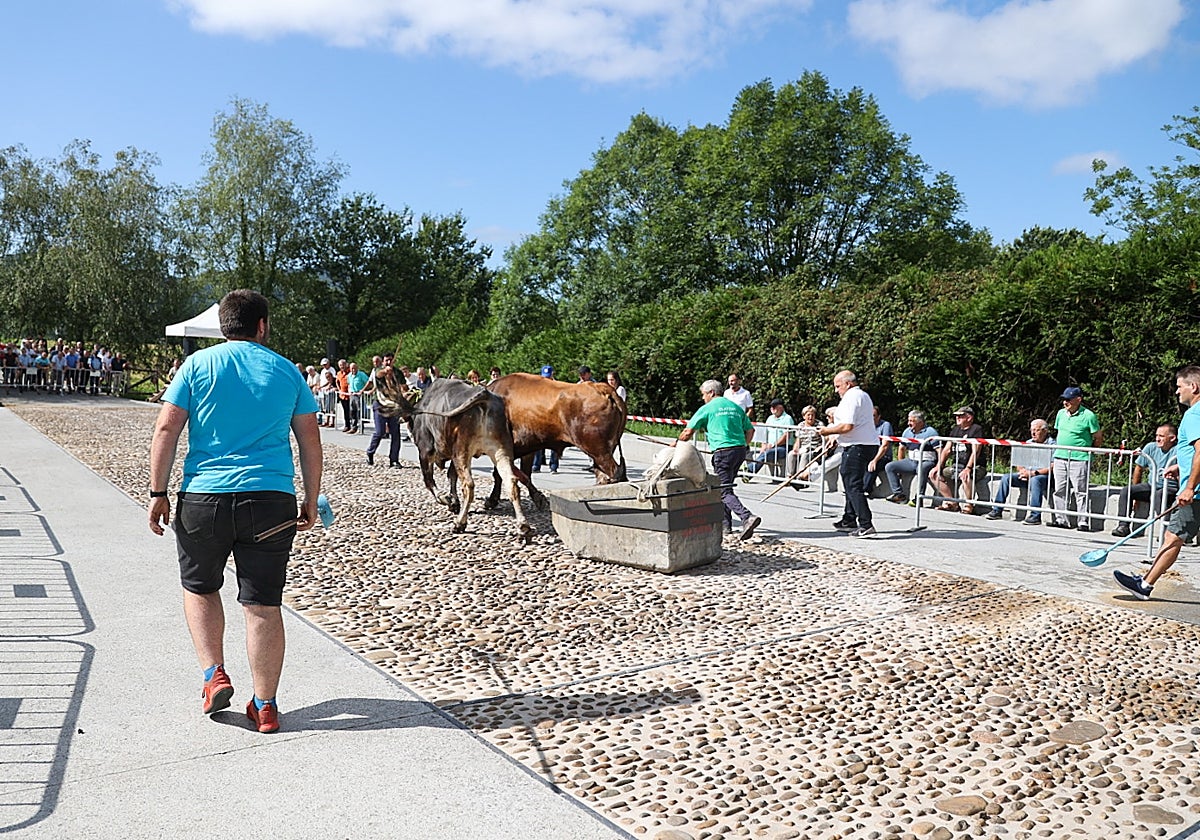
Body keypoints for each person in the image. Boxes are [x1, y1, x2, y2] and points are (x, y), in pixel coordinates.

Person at [147, 289, 322, 734]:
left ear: (223, 325)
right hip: (269, 499)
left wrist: (157, 491)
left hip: (204, 497)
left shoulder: (197, 365)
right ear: (261, 325)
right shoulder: (287, 371)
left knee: (200, 587)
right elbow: (310, 440)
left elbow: (167, 426)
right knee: (262, 603)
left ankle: (214, 675)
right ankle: (264, 706)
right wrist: (310, 497)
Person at [1113, 366, 1200, 601]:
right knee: (1174, 536)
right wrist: (1181, 467)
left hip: (1196, 493)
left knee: (1173, 537)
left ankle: (1145, 584)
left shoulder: (1194, 414)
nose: (1176, 392)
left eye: (1179, 386)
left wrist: (1190, 486)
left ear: (1194, 387)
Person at [676, 379, 760, 540]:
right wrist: (742, 444)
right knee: (726, 486)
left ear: (711, 393)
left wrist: (677, 445)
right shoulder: (735, 407)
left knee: (722, 491)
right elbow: (750, 430)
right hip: (739, 451)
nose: (703, 398)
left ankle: (746, 517)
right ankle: (725, 525)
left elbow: (687, 433)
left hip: (723, 453)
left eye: (704, 394)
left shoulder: (707, 408)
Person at [820, 370, 877, 537]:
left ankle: (865, 524)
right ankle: (849, 519)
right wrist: (836, 437)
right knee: (849, 482)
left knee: (852, 484)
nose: (836, 390)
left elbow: (847, 426)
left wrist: (827, 431)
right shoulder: (862, 395)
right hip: (862, 443)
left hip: (857, 446)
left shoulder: (852, 397)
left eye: (838, 386)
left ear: (848, 383)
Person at [1049, 386, 1103, 531]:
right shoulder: (1060, 414)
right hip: (1060, 456)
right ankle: (1061, 519)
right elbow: (1059, 432)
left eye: (1068, 400)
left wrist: (1090, 450)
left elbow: (1097, 437)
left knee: (1080, 490)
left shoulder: (1089, 415)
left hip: (1079, 457)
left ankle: (1082, 521)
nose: (1065, 402)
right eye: (1064, 399)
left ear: (1078, 400)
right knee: (1059, 489)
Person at [1112, 424, 1178, 537]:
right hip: (1151, 485)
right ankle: (1123, 526)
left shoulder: (1178, 450)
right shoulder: (1151, 447)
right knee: (1127, 491)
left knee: (1159, 495)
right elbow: (1138, 469)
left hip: (1171, 487)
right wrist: (1136, 493)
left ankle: (1167, 532)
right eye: (1156, 435)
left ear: (1172, 438)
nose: (1157, 439)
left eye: (1161, 436)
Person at [984, 419, 1055, 524]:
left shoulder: (1053, 444)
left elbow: (1053, 466)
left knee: (1036, 480)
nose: (1033, 433)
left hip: (1043, 476)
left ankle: (1035, 515)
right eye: (1032, 430)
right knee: (1006, 478)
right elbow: (1019, 462)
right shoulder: (1028, 443)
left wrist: (1033, 473)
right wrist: (1022, 471)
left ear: (1045, 431)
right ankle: (997, 509)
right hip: (1027, 474)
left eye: (1037, 430)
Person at [931, 406, 986, 514]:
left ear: (969, 417)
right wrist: (938, 466)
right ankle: (951, 502)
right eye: (956, 416)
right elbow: (947, 450)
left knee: (964, 476)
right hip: (957, 465)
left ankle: (969, 505)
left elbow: (976, 451)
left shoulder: (976, 429)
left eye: (960, 416)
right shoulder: (955, 430)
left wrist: (968, 468)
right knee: (933, 475)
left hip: (976, 466)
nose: (957, 418)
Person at [883, 410, 939, 505]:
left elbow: (940, 451)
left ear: (920, 422)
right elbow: (901, 448)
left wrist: (938, 466)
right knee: (890, 467)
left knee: (921, 469)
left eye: (912, 421)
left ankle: (919, 498)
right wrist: (901, 463)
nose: (909, 423)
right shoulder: (907, 432)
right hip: (911, 460)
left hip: (927, 460)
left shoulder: (931, 432)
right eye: (909, 420)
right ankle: (898, 494)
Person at [364, 358, 402, 467]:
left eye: (391, 360)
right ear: (383, 362)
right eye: (386, 360)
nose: (389, 362)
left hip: (394, 406)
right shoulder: (378, 370)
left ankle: (394, 459)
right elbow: (379, 375)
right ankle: (370, 452)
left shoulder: (397, 373)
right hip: (380, 404)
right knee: (380, 432)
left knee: (396, 434)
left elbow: (403, 386)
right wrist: (386, 371)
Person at [744, 399, 793, 477]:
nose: (772, 409)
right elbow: (765, 434)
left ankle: (750, 470)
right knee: (765, 452)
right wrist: (764, 445)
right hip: (771, 446)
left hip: (783, 447)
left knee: (768, 453)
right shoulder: (770, 418)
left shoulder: (787, 419)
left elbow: (786, 436)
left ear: (781, 408)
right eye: (771, 407)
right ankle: (751, 472)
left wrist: (773, 445)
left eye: (774, 407)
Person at [532, 365, 559, 473]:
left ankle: (553, 466)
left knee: (555, 444)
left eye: (548, 377)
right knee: (538, 443)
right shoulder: (538, 388)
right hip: (541, 416)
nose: (546, 379)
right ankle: (536, 464)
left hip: (554, 417)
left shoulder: (557, 387)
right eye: (545, 377)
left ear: (552, 375)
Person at [786, 405, 825, 481]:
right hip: (803, 447)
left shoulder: (819, 424)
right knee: (791, 454)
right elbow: (798, 439)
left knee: (805, 455)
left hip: (814, 448)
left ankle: (800, 476)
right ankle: (789, 476)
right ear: (804, 416)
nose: (810, 417)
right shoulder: (801, 425)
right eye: (808, 415)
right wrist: (795, 449)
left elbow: (824, 438)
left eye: (812, 415)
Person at [865, 406, 894, 496]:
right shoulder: (866, 426)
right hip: (869, 453)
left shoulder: (885, 426)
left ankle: (865, 489)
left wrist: (875, 460)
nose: (871, 418)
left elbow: (885, 446)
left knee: (872, 466)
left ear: (878, 416)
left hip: (883, 456)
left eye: (873, 416)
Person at [346, 361, 369, 433]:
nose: (353, 370)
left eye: (354, 368)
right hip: (352, 394)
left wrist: (362, 390)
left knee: (360, 411)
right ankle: (354, 426)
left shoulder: (361, 374)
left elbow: (368, 382)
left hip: (359, 395)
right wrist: (349, 390)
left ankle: (361, 426)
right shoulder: (349, 375)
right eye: (352, 368)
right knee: (352, 411)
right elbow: (349, 384)